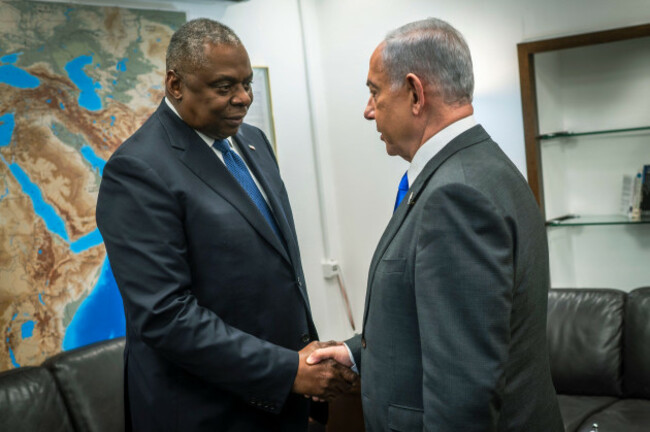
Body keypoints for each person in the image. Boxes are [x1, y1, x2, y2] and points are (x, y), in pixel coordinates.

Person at [96, 18, 356, 432]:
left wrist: (301, 364)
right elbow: (165, 314)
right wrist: (287, 370)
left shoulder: (252, 142)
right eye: (225, 87)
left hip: (279, 399)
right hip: (205, 412)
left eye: (248, 83)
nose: (243, 98)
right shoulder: (138, 170)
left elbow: (277, 271)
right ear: (175, 85)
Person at [308, 18, 565, 431]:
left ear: (414, 93)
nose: (368, 109)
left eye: (374, 91)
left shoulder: (456, 196)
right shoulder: (483, 167)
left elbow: (464, 394)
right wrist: (358, 351)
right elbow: (446, 319)